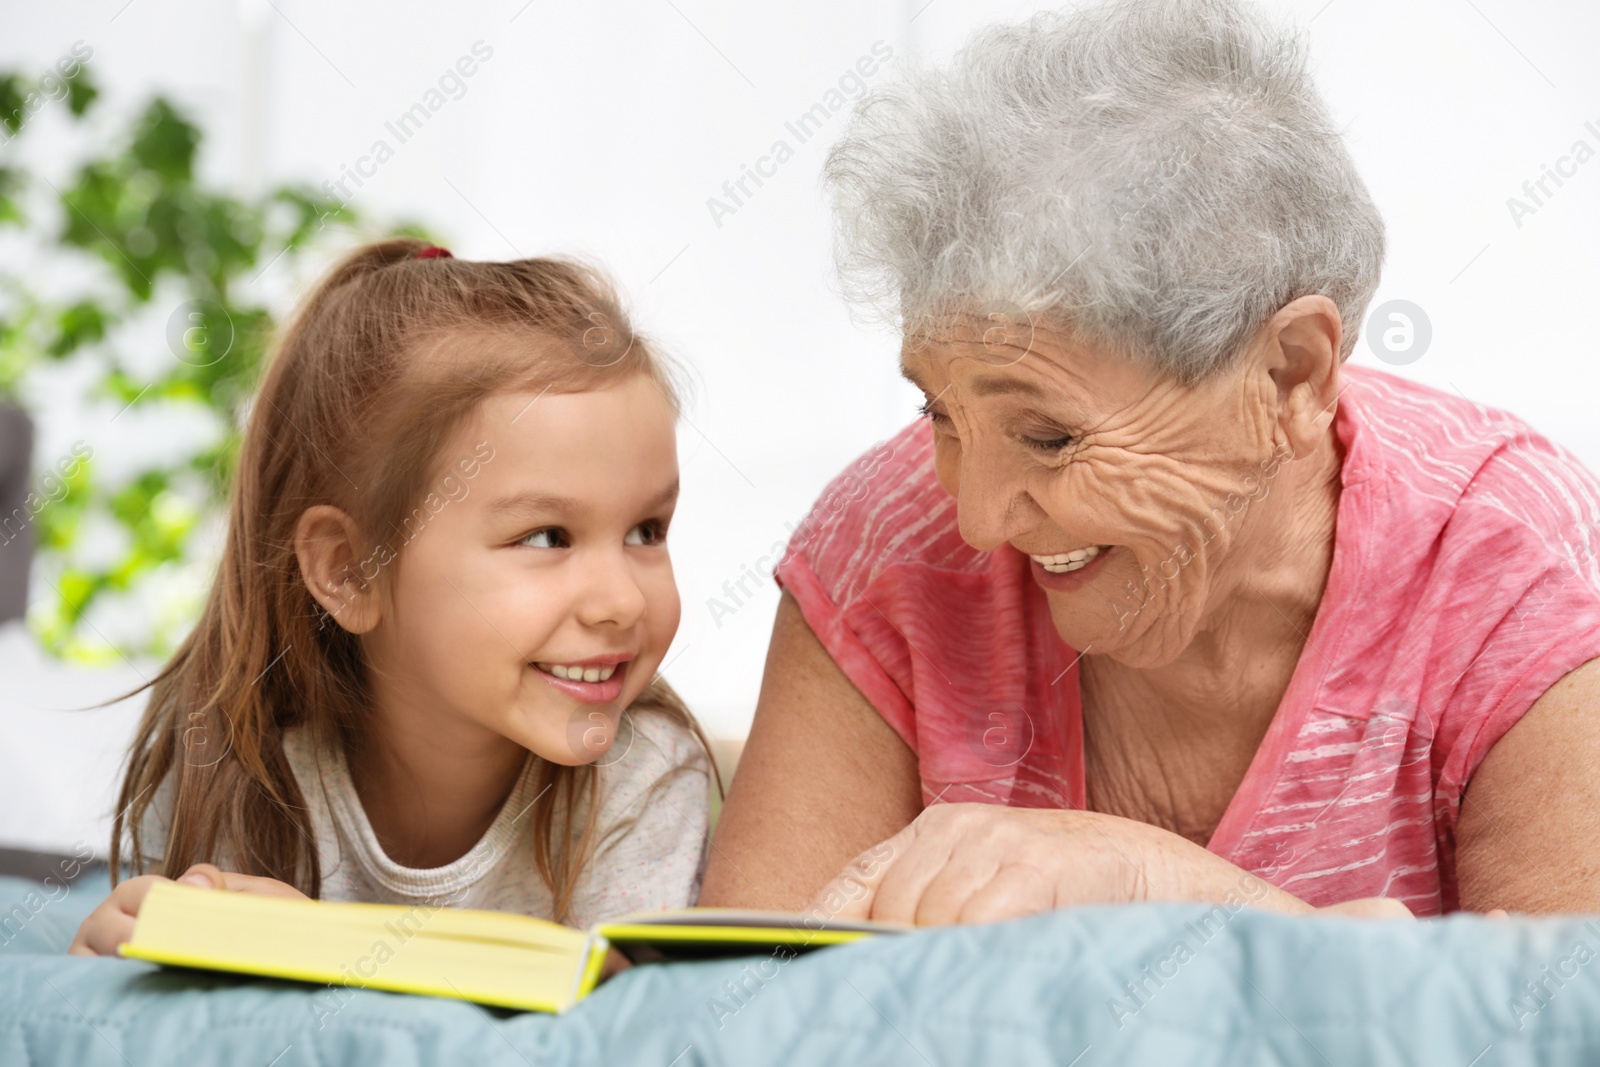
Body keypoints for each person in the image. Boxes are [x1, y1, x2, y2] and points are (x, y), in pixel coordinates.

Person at [701, 0, 1600, 922]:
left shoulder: (1512, 568)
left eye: (1049, 436)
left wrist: (1159, 887)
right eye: (940, 412)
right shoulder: (888, 538)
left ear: (1290, 374)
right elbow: (739, 1012)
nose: (978, 516)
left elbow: (1560, 1024)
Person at [71, 239, 713, 956]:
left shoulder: (641, 775)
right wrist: (113, 964)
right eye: (546, 537)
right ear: (350, 571)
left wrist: (321, 950)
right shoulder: (231, 769)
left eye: (646, 530)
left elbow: (628, 1031)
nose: (621, 601)